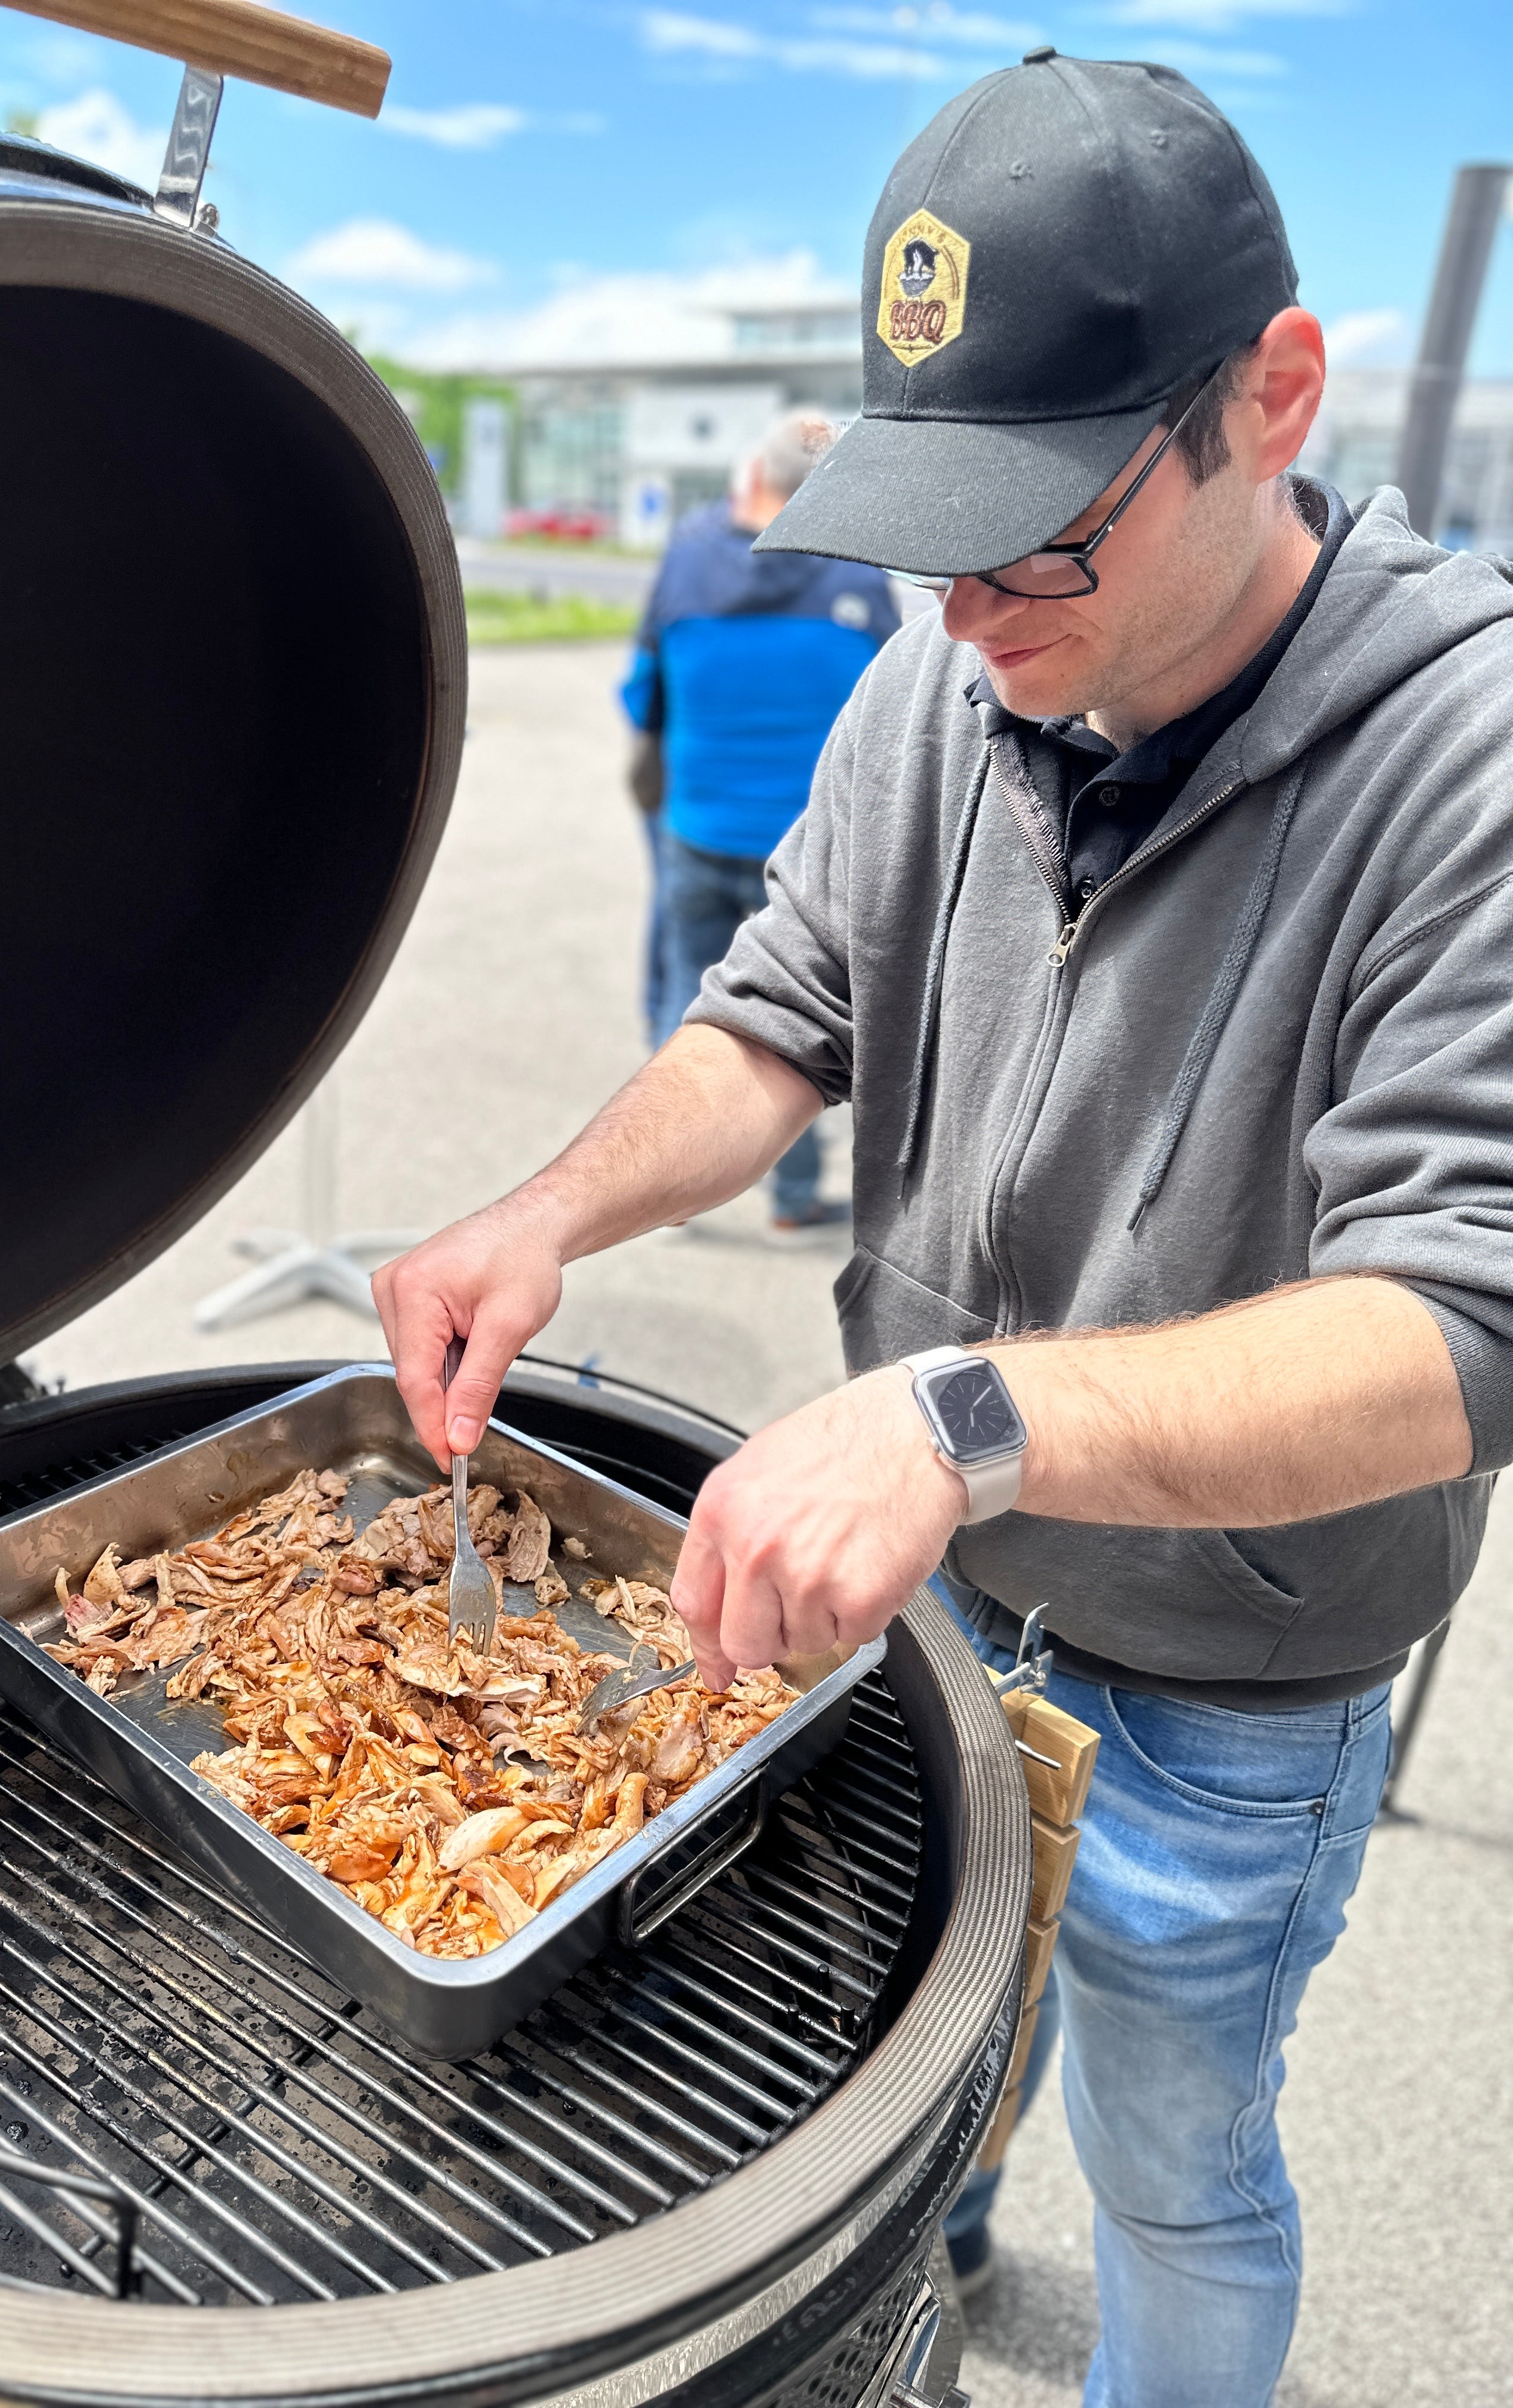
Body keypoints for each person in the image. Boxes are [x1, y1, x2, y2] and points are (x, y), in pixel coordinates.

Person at [375, 50, 1513, 2408]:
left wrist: (966, 1411)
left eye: (1042, 537)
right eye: (931, 534)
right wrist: (549, 1205)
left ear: (1270, 403)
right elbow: (774, 1020)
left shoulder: (1463, 755)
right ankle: (947, 2255)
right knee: (928, 2066)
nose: (971, 607)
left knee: (1179, 2157)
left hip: (1231, 1674)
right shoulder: (945, 683)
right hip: (943, 1592)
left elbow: (1461, 1325)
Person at [621, 412, 897, 1230]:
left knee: (684, 992)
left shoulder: (689, 561)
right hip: (809, 854)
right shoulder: (855, 583)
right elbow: (893, 709)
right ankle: (791, 1196)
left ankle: (657, 1194)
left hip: (697, 825)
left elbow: (642, 694)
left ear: (755, 479)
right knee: (797, 1025)